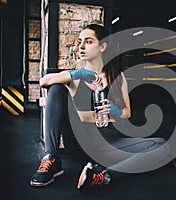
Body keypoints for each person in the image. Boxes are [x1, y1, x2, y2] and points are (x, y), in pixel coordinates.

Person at [29, 24, 168, 188]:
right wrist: (80, 73)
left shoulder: (118, 77)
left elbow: (127, 113)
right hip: (81, 143)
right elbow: (43, 82)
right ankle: (51, 158)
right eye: (79, 41)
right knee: (57, 88)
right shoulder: (74, 76)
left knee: (162, 145)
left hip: (108, 143)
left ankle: (104, 175)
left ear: (102, 46)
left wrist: (115, 111)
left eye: (88, 42)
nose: (81, 46)